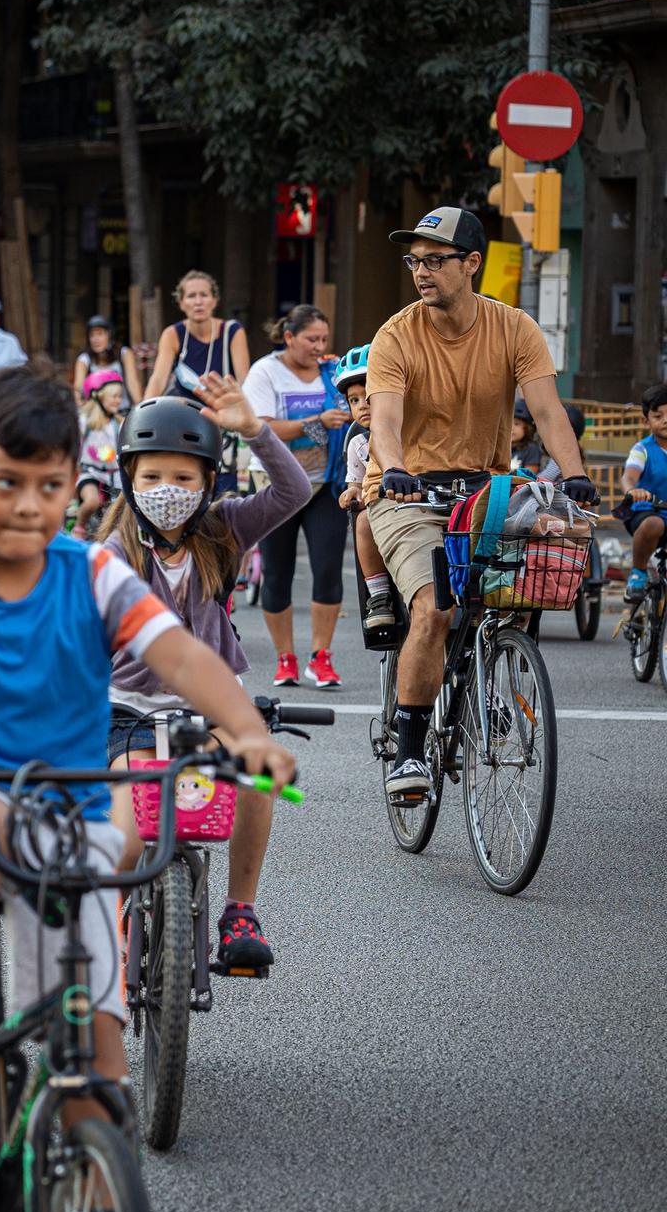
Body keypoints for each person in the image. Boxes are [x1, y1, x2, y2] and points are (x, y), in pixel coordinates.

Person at [0, 369, 296, 1116]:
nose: (27, 505)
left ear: (73, 482)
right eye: (4, 482)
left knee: (98, 1065)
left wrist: (248, 731)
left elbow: (184, 658)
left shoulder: (95, 571)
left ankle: (90, 1211)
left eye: (47, 485)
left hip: (67, 800)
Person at [364, 207, 594, 804]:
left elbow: (546, 410)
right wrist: (393, 470)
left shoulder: (514, 327)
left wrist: (575, 476)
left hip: (486, 489)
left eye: (435, 260)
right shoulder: (397, 333)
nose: (421, 271)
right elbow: (385, 419)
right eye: (414, 260)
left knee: (526, 586)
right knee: (435, 610)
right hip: (406, 492)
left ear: (472, 264)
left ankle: (486, 678)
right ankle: (411, 750)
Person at [99, 381, 311, 972]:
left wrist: (254, 430)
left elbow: (294, 490)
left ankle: (240, 911)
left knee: (255, 773)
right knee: (130, 826)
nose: (168, 490)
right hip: (126, 711)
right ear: (128, 482)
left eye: (184, 478)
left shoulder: (224, 532)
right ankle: (112, 926)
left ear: (208, 482)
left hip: (212, 706)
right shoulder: (112, 555)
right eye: (152, 477)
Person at [241, 303, 351, 688]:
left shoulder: (332, 371)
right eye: (311, 339)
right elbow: (261, 428)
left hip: (326, 483)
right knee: (277, 573)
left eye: (324, 338)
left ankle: (321, 658)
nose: (319, 346)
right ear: (289, 337)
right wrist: (315, 422)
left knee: (327, 569)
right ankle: (285, 658)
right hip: (277, 486)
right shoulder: (265, 372)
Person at [331, 345, 396, 634]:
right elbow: (355, 483)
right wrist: (352, 492)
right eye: (353, 400)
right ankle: (379, 596)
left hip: (421, 503)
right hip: (382, 509)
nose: (362, 405)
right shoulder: (358, 443)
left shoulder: (410, 429)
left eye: (368, 395)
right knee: (363, 521)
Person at [143, 270, 250, 401]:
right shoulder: (172, 334)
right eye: (191, 296)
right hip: (184, 411)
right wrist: (142, 413)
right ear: (181, 303)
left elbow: (244, 382)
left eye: (204, 295)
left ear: (214, 301)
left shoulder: (232, 331)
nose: (198, 302)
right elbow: (158, 379)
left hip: (223, 410)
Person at [620, 383, 667, 601]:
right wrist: (632, 490)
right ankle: (637, 574)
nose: (665, 420)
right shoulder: (642, 450)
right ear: (646, 421)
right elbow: (629, 475)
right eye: (658, 416)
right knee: (654, 524)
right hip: (648, 512)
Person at [73, 369, 127, 538]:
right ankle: (79, 527)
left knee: (123, 508)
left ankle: (112, 536)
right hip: (90, 472)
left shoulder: (119, 424)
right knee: (92, 501)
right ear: (98, 396)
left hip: (115, 475)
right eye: (114, 396)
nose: (118, 400)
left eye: (120, 396)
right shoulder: (84, 423)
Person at [73, 313, 141, 404]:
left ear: (110, 335)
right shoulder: (84, 359)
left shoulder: (124, 354)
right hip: (96, 414)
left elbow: (133, 384)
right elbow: (78, 389)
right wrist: (83, 413)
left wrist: (140, 408)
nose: (95, 339)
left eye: (100, 334)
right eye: (92, 335)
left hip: (123, 411)